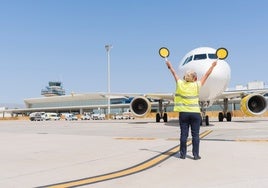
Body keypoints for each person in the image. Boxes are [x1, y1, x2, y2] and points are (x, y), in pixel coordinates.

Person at [166, 60, 217, 160]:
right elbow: (207, 74)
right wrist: (213, 66)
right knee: (195, 135)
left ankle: (183, 154)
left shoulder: (180, 84)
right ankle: (196, 155)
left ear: (185, 77)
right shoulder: (197, 85)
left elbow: (174, 73)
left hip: (184, 113)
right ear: (195, 78)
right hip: (195, 114)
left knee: (183, 134)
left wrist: (170, 66)